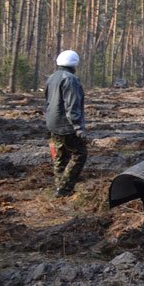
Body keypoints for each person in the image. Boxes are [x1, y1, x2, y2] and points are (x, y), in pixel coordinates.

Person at [45, 50, 88, 197]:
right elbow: (72, 105)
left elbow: (48, 101)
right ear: (75, 64)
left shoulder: (52, 78)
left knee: (60, 157)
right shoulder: (71, 80)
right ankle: (64, 189)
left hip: (53, 124)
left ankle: (59, 187)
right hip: (66, 126)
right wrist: (78, 127)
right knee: (79, 154)